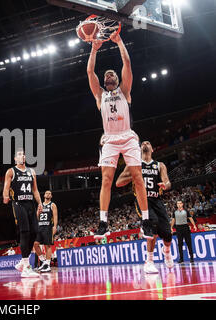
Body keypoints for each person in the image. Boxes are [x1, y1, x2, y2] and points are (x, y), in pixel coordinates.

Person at [86, 31, 153, 239]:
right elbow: (90, 72)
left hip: (128, 136)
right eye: (106, 75)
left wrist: (118, 41)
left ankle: (146, 221)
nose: (108, 75)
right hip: (110, 139)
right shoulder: (100, 96)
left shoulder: (125, 91)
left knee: (137, 178)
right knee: (106, 180)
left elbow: (127, 63)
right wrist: (93, 49)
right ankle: (103, 222)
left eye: (111, 74)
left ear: (116, 78)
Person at [116, 141, 174, 273]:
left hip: (157, 200)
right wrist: (135, 175)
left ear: (152, 149)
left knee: (168, 234)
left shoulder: (160, 165)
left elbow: (168, 182)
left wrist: (165, 185)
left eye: (148, 143)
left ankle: (166, 251)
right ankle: (149, 261)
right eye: (143, 143)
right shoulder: (134, 165)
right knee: (152, 224)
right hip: (143, 200)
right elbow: (118, 182)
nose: (146, 143)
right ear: (140, 149)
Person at [3, 149, 43, 278]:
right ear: (15, 159)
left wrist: (40, 203)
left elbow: (35, 190)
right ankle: (26, 267)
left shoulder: (31, 172)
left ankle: (22, 262)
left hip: (30, 203)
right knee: (24, 232)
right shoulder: (11, 171)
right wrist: (5, 196)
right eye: (19, 154)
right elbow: (6, 187)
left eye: (24, 154)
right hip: (18, 204)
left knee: (35, 231)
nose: (23, 156)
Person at [33, 190, 58, 273]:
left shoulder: (52, 205)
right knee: (35, 244)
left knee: (47, 245)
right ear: (44, 195)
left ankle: (47, 264)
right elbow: (37, 217)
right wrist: (37, 212)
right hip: (40, 227)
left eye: (50, 193)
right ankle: (43, 262)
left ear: (51, 196)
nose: (48, 194)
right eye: (47, 193)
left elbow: (55, 216)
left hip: (48, 227)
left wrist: (54, 226)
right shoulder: (40, 205)